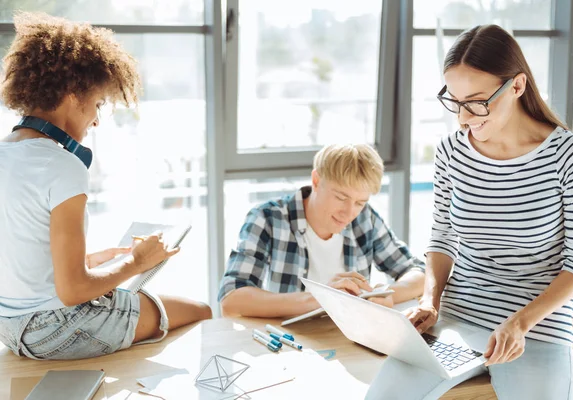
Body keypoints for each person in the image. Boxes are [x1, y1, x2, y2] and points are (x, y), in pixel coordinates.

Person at [366, 24, 573, 400]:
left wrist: (519, 323)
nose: (463, 118)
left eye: (476, 102)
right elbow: (443, 237)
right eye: (455, 101)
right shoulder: (451, 151)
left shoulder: (572, 158)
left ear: (517, 86)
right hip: (457, 318)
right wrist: (430, 300)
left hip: (535, 329)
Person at [0, 12, 211, 361]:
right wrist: (137, 263)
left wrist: (88, 262)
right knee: (200, 310)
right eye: (97, 103)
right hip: (56, 331)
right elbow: (73, 292)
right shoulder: (62, 164)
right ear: (71, 94)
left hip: (8, 328)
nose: (96, 119)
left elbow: (19, 253)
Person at [218, 143, 425, 318]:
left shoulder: (365, 219)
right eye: (341, 198)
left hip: (349, 338)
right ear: (316, 181)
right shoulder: (268, 218)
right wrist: (320, 298)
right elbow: (231, 299)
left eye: (360, 202)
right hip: (289, 343)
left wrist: (387, 295)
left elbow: (419, 272)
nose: (348, 213)